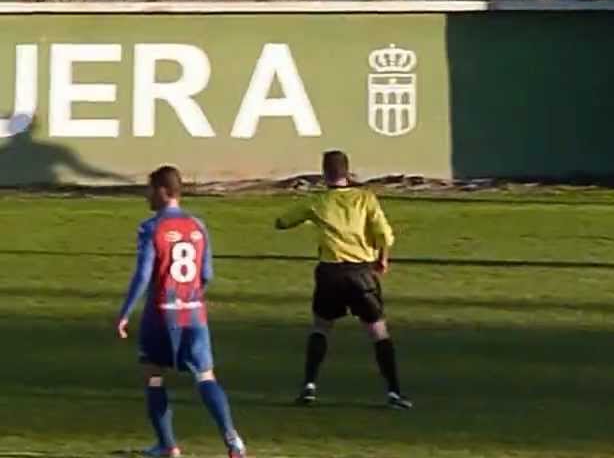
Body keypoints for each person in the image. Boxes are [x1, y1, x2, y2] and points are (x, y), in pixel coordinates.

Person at [115, 165, 249, 458]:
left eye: (150, 189)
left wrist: (125, 312)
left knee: (154, 376)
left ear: (162, 191)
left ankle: (167, 444)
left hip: (161, 314)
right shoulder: (198, 225)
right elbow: (207, 274)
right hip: (194, 313)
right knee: (205, 376)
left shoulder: (151, 228)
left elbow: (142, 275)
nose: (147, 196)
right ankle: (232, 439)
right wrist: (191, 294)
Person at [275, 150, 412, 410]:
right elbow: (384, 233)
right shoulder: (366, 199)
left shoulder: (317, 201)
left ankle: (309, 385)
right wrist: (383, 259)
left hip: (330, 272)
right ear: (348, 172)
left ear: (324, 173)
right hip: (361, 273)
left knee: (321, 327)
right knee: (378, 332)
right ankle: (394, 392)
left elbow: (281, 222)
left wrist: (307, 218)